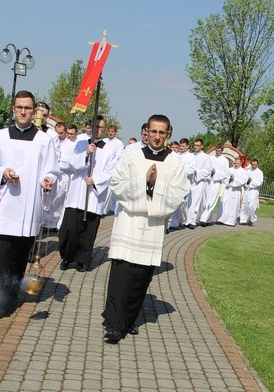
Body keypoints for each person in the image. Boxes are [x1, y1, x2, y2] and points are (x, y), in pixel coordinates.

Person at [102, 114, 189, 344]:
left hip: (152, 228)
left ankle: (128, 320)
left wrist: (155, 185)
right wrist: (143, 183)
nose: (157, 136)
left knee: (141, 279)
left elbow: (180, 194)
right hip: (128, 224)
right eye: (154, 131)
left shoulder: (175, 163)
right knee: (121, 276)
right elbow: (116, 185)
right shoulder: (131, 156)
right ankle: (113, 325)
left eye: (162, 132)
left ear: (169, 134)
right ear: (146, 132)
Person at [0, 90, 59, 322]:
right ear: (13, 109)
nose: (23, 111)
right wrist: (2, 173)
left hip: (27, 210)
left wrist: (49, 180)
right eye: (19, 107)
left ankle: (10, 296)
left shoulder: (45, 140)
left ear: (35, 112)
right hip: (3, 207)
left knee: (17, 258)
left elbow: (53, 171)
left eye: (28, 108)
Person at [58, 116, 120, 272]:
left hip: (93, 194)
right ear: (89, 127)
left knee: (87, 230)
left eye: (101, 127)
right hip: (77, 192)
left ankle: (82, 260)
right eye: (95, 126)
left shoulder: (110, 148)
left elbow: (111, 171)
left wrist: (96, 180)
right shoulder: (80, 143)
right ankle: (67, 257)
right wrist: (86, 153)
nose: (98, 129)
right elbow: (72, 163)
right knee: (69, 229)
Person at [200, 143, 229, 225]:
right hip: (208, 181)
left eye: (219, 151)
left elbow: (225, 173)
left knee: (212, 201)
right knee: (205, 201)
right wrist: (210, 172)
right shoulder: (210, 158)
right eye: (216, 150)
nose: (217, 152)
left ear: (222, 151)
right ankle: (208, 220)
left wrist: (216, 173)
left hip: (216, 182)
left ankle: (203, 219)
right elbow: (206, 168)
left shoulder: (225, 161)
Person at [216, 159, 247, 226]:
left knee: (234, 205)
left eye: (237, 163)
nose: (236, 164)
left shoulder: (243, 171)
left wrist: (234, 179)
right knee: (224, 203)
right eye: (235, 163)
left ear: (240, 163)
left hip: (236, 190)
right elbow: (225, 178)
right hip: (228, 188)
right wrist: (229, 179)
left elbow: (243, 181)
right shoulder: (230, 169)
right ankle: (221, 219)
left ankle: (230, 221)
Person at [239, 159, 264, 226]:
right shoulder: (248, 172)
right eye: (252, 164)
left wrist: (251, 181)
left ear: (257, 164)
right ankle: (243, 220)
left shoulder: (260, 172)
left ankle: (251, 219)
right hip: (247, 190)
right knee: (244, 205)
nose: (253, 166)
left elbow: (259, 183)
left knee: (251, 206)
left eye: (255, 164)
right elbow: (244, 180)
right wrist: (247, 182)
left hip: (254, 191)